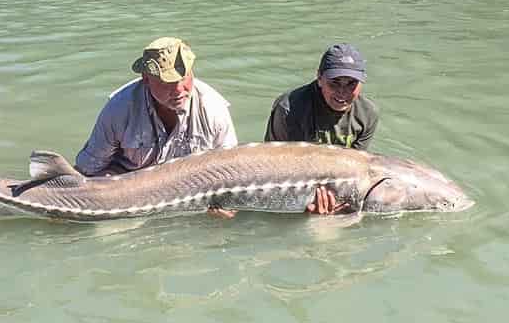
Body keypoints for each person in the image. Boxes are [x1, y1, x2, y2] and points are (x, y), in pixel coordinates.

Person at [75, 37, 238, 176]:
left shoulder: (214, 110)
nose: (179, 90)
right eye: (168, 83)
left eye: (184, 78)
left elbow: (230, 172)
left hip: (187, 188)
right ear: (146, 79)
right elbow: (87, 169)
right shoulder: (119, 109)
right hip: (127, 186)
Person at [264, 43, 379, 215]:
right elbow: (274, 169)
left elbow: (356, 169)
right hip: (288, 184)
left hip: (334, 187)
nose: (342, 92)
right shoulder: (289, 109)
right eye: (334, 83)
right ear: (319, 78)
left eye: (351, 84)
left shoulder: (367, 114)